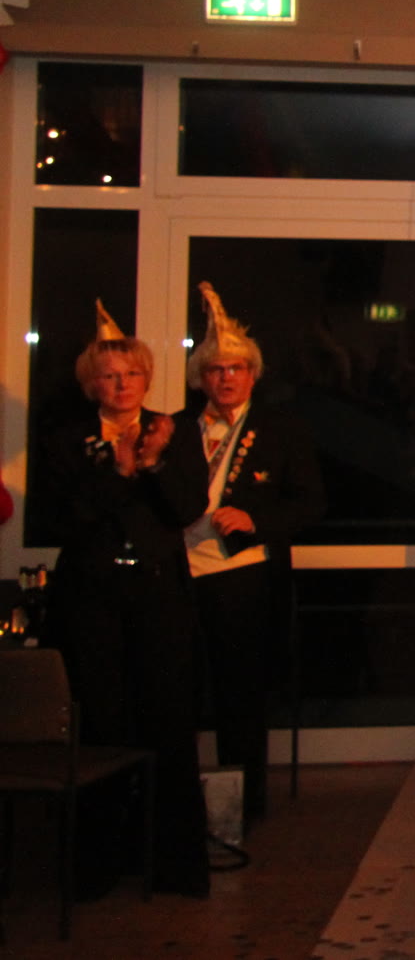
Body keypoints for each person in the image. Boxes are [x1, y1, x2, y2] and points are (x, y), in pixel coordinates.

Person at [42, 302, 210, 897]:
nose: (122, 385)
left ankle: (171, 865)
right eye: (110, 376)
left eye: (132, 374)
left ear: (147, 379)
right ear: (92, 384)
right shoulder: (67, 441)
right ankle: (96, 866)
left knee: (167, 722)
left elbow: (186, 509)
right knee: (101, 725)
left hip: (159, 598)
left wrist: (154, 463)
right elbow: (67, 520)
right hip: (92, 602)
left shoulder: (174, 431)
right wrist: (116, 473)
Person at [160, 282, 326, 826]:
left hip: (243, 578)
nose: (226, 378)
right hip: (178, 578)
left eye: (236, 368)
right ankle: (179, 811)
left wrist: (257, 521)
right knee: (178, 696)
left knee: (240, 697)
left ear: (253, 374)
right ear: (200, 378)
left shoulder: (281, 431)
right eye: (215, 370)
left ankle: (242, 810)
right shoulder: (177, 429)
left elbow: (311, 504)